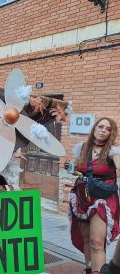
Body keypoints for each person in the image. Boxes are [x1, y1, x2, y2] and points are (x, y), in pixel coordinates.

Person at [68, 117, 120, 274]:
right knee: (86, 239)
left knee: (97, 242)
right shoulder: (81, 148)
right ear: (94, 128)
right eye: (101, 126)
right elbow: (78, 167)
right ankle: (89, 270)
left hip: (103, 199)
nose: (104, 130)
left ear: (112, 133)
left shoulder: (113, 151)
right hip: (82, 195)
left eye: (108, 129)